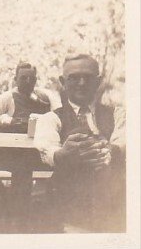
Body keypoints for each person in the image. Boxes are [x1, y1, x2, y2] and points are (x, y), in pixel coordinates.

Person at [34, 54, 125, 232]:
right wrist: (63, 154)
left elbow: (125, 141)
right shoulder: (50, 119)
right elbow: (47, 149)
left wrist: (109, 150)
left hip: (113, 208)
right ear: (63, 81)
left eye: (88, 77)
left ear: (98, 81)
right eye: (74, 78)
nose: (81, 83)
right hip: (67, 208)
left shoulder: (118, 114)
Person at [0, 62, 59, 133]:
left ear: (35, 80)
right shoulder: (8, 97)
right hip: (15, 139)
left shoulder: (44, 96)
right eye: (23, 78)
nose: (28, 81)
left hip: (38, 139)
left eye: (31, 78)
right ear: (16, 79)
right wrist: (7, 120)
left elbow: (57, 115)